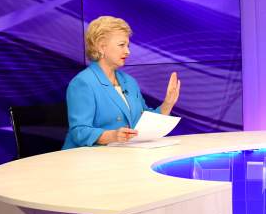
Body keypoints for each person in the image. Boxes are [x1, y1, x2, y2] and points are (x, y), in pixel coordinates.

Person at [63, 16, 181, 149]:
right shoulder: (83, 83)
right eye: (121, 45)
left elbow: (144, 120)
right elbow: (79, 131)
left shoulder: (129, 82)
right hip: (89, 158)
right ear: (101, 47)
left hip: (124, 155)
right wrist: (112, 136)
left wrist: (168, 103)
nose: (128, 51)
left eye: (127, 46)